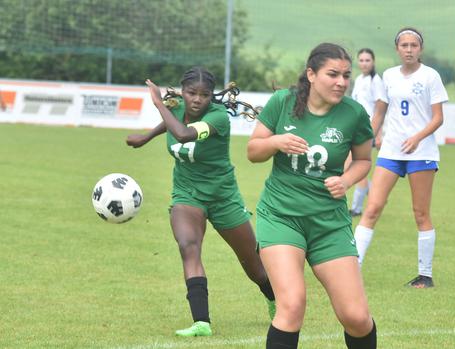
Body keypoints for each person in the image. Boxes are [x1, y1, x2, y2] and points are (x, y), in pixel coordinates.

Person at [126, 67, 275, 337]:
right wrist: (146, 137)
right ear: (183, 92)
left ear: (211, 97)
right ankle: (201, 322)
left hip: (223, 197)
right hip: (187, 193)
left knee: (254, 266)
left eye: (204, 95)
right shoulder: (181, 106)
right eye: (191, 93)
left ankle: (277, 302)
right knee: (188, 246)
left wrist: (158, 103)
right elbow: (174, 119)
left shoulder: (218, 118)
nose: (196, 99)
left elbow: (183, 134)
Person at [247, 43, 377, 349]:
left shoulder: (354, 114)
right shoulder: (283, 102)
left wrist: (345, 181)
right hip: (281, 217)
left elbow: (363, 161)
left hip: (329, 223)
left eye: (346, 75)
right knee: (291, 305)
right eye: (333, 74)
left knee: (356, 317)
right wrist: (276, 141)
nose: (341, 82)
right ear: (311, 74)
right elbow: (253, 151)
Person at [353, 27, 448, 289]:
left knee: (420, 213)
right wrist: (368, 139)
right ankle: (352, 268)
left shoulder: (431, 76)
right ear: (397, 49)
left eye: (413, 45)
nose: (408, 49)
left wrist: (417, 138)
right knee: (372, 208)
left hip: (421, 153)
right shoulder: (389, 76)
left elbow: (438, 118)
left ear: (420, 49)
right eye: (404, 45)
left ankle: (425, 275)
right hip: (391, 151)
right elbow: (380, 113)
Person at [346, 48, 384, 217]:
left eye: (367, 60)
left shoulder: (376, 81)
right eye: (361, 60)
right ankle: (377, 197)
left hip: (369, 130)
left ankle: (356, 208)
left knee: (357, 166)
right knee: (350, 166)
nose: (364, 63)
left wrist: (378, 133)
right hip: (356, 127)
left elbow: (380, 109)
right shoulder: (359, 79)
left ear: (373, 62)